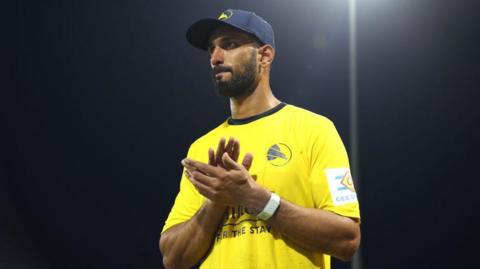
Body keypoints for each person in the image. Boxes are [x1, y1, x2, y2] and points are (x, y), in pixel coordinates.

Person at [159, 9, 361, 269]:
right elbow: (173, 259)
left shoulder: (316, 130)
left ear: (264, 56)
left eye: (229, 45)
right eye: (211, 49)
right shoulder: (201, 148)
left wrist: (255, 199)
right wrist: (217, 200)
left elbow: (346, 239)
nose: (216, 58)